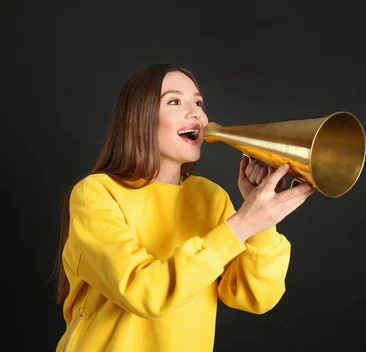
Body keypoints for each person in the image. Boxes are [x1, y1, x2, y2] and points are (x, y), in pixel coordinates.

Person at [52, 63, 316, 352]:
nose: (197, 114)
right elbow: (143, 292)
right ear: (139, 118)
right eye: (175, 101)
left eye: (199, 102)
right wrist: (243, 224)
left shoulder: (209, 197)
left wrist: (261, 224)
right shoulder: (96, 194)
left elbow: (255, 297)